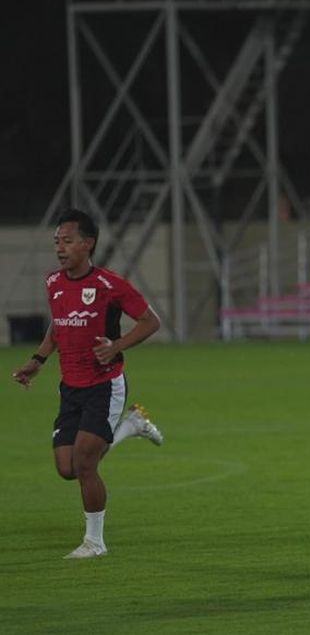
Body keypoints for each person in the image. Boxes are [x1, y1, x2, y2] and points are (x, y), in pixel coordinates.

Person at [10, 209, 164, 559]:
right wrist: (38, 361)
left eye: (67, 241)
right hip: (71, 387)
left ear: (88, 243)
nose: (60, 248)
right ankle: (131, 426)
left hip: (104, 385)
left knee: (84, 464)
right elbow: (58, 325)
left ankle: (95, 543)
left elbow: (150, 321)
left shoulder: (110, 285)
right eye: (56, 242)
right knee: (67, 468)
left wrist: (117, 346)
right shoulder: (53, 283)